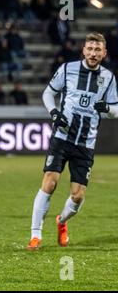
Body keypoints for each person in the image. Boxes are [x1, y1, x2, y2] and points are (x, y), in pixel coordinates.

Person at [27, 33, 118, 250]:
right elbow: (48, 93)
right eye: (90, 49)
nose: (93, 53)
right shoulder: (68, 69)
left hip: (85, 143)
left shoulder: (109, 78)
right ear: (83, 50)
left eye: (97, 50)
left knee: (77, 196)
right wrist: (54, 113)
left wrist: (107, 109)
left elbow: (116, 109)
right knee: (50, 182)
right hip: (62, 136)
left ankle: (62, 222)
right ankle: (35, 235)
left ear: (104, 53)